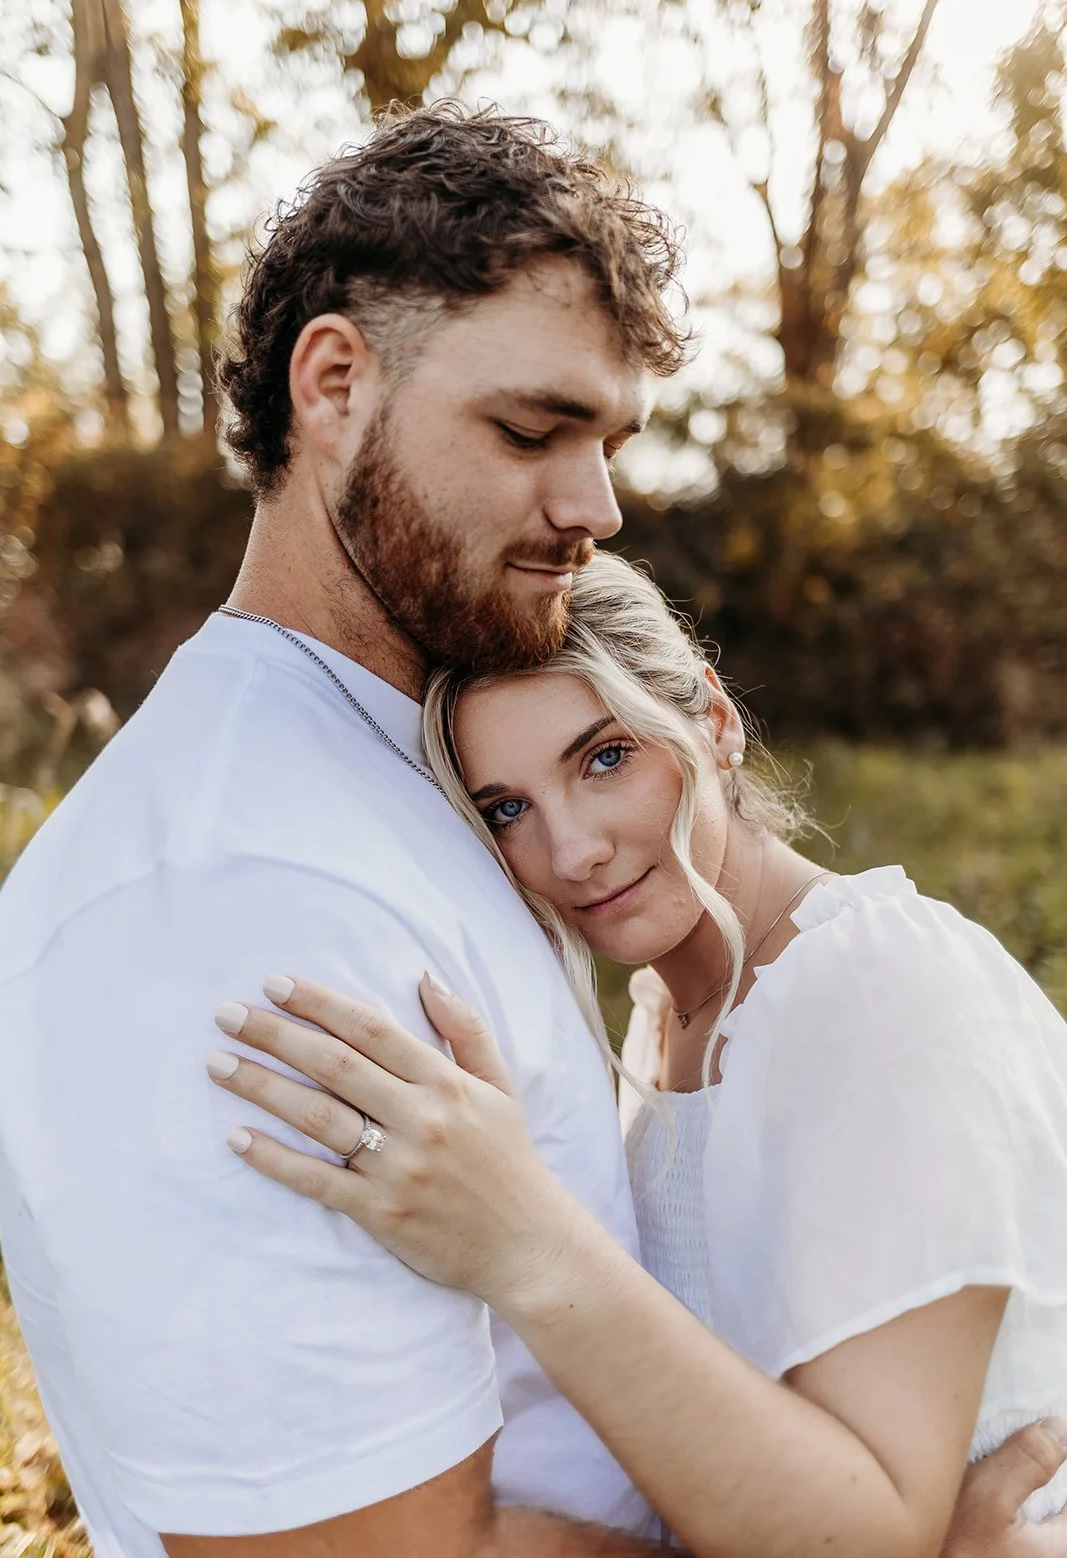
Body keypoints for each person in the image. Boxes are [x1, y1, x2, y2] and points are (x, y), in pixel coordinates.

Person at [0, 101, 1057, 1558]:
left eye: (608, 441)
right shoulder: (242, 880)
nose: (597, 505)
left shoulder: (384, 780)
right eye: (529, 428)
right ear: (334, 385)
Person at [206, 550, 1067, 1558]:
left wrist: (521, 1237)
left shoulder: (873, 985)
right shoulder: (661, 1016)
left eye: (603, 756)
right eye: (505, 809)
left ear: (712, 721)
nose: (570, 851)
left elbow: (864, 1539)